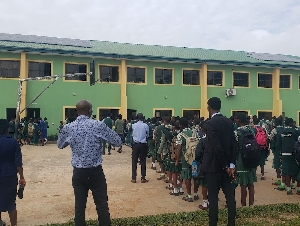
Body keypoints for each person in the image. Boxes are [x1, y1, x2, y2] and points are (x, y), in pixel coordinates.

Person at [57, 100, 122, 226]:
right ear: (90, 111)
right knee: (102, 207)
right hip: (95, 172)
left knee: (79, 208)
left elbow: (60, 144)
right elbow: (117, 141)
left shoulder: (69, 127)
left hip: (78, 172)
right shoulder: (98, 125)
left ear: (77, 111)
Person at [201, 97, 238, 226]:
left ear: (209, 107)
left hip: (213, 167)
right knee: (230, 197)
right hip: (227, 166)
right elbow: (234, 143)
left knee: (213, 198)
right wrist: (231, 164)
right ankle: (231, 223)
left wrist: (224, 166)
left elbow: (216, 147)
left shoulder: (210, 123)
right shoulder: (228, 122)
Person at [0, 119, 26, 226]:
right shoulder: (13, 142)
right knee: (11, 203)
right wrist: (22, 177)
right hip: (9, 175)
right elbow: (18, 163)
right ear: (7, 129)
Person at [234, 113, 257, 207]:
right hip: (252, 157)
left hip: (241, 159)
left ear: (238, 120)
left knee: (243, 184)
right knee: (251, 183)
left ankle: (243, 205)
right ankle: (251, 205)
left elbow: (235, 147)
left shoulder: (237, 132)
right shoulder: (252, 130)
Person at [131, 113, 149, 183]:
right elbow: (147, 135)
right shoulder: (145, 125)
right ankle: (143, 177)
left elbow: (132, 134)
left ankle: (134, 178)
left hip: (135, 144)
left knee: (134, 161)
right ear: (143, 118)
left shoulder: (133, 125)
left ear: (137, 118)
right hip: (143, 144)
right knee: (143, 160)